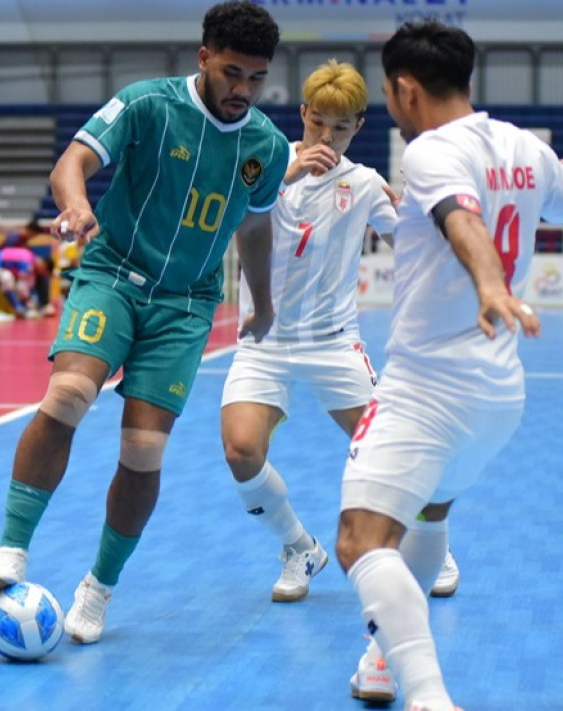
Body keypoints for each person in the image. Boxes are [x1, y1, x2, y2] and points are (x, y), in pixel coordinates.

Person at [0, 0, 289, 646]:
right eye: (231, 72)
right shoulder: (146, 104)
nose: (242, 89)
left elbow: (255, 229)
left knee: (142, 447)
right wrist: (74, 205)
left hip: (185, 304)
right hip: (114, 271)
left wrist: (260, 301)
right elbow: (73, 162)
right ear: (202, 57)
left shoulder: (266, 146)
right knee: (67, 393)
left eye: (256, 78)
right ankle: (12, 545)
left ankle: (97, 588)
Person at [336, 21, 563, 711]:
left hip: (427, 384)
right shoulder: (526, 148)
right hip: (498, 392)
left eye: (386, 94)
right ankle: (380, 661)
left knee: (360, 539)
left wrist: (490, 284)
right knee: (429, 512)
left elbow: (459, 219)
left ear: (405, 90)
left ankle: (429, 697)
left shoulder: (431, 152)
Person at [220, 58, 397, 603]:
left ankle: (427, 545)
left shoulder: (365, 185)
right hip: (262, 342)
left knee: (391, 449)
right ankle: (299, 547)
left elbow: (415, 246)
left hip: (335, 343)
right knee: (241, 450)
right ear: (303, 114)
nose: (328, 136)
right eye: (319, 122)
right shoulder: (262, 167)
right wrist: (284, 176)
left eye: (341, 128)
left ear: (358, 128)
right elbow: (219, 221)